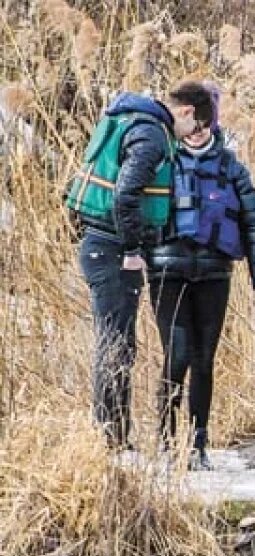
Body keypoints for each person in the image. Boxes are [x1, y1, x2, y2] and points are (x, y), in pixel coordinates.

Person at [66, 84, 208, 449]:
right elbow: (125, 194)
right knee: (116, 345)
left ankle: (114, 438)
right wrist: (132, 248)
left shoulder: (130, 121)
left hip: (101, 242)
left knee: (118, 342)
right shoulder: (151, 135)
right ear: (187, 112)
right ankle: (110, 441)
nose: (190, 137)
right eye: (195, 128)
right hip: (114, 249)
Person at [145, 82, 255, 470]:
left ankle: (198, 443)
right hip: (167, 271)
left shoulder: (232, 168)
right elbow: (136, 207)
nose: (197, 132)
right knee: (178, 353)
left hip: (215, 274)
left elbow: (254, 225)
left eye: (204, 124)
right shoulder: (162, 161)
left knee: (204, 359)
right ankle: (167, 442)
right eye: (192, 124)